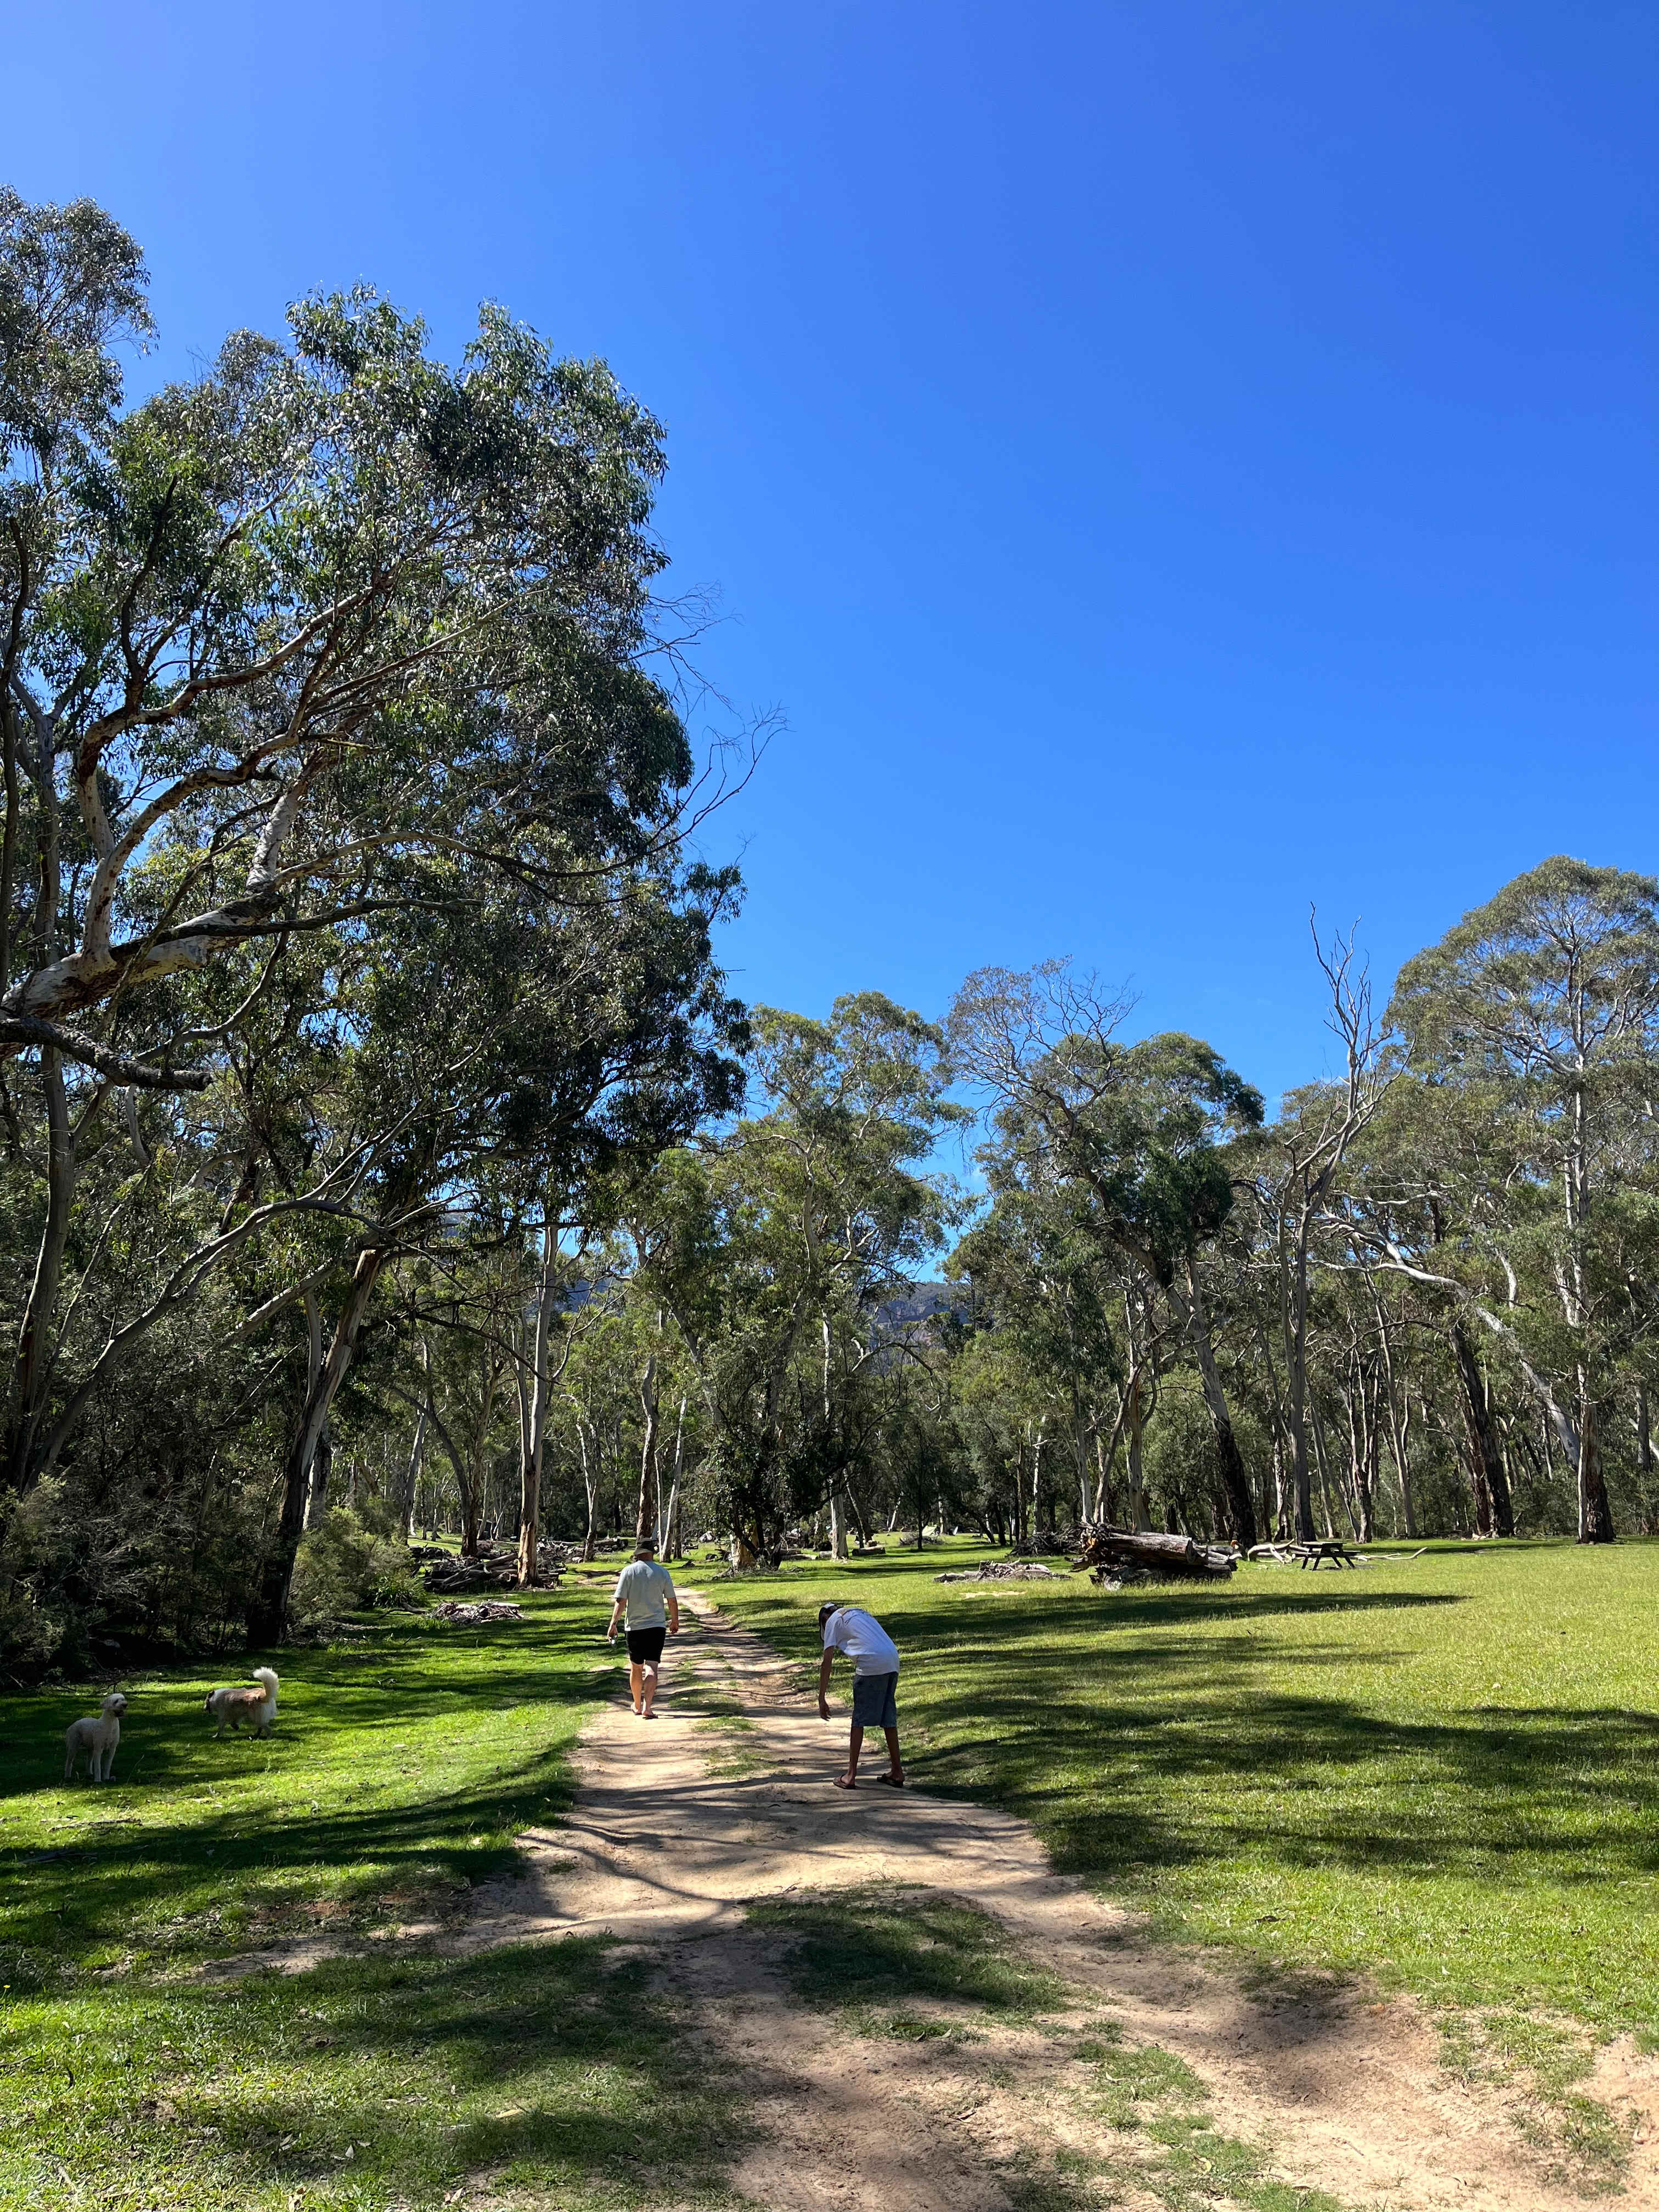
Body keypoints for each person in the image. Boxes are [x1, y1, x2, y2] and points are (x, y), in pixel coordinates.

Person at [817, 1598, 904, 1788]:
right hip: (892, 1659)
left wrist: (821, 1697)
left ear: (824, 1620)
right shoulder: (857, 1612)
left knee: (859, 1720)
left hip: (871, 1664)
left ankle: (850, 1775)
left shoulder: (831, 1622)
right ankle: (897, 1772)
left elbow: (827, 1662)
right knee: (888, 1718)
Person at [607, 1541, 680, 1718]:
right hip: (656, 1628)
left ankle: (637, 1705)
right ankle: (648, 1707)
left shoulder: (628, 1572)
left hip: (634, 1628)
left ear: (638, 1554)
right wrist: (674, 1621)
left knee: (636, 1667)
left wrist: (613, 1624)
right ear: (652, 1553)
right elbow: (672, 1600)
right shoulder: (662, 1572)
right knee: (652, 1666)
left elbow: (621, 1601)